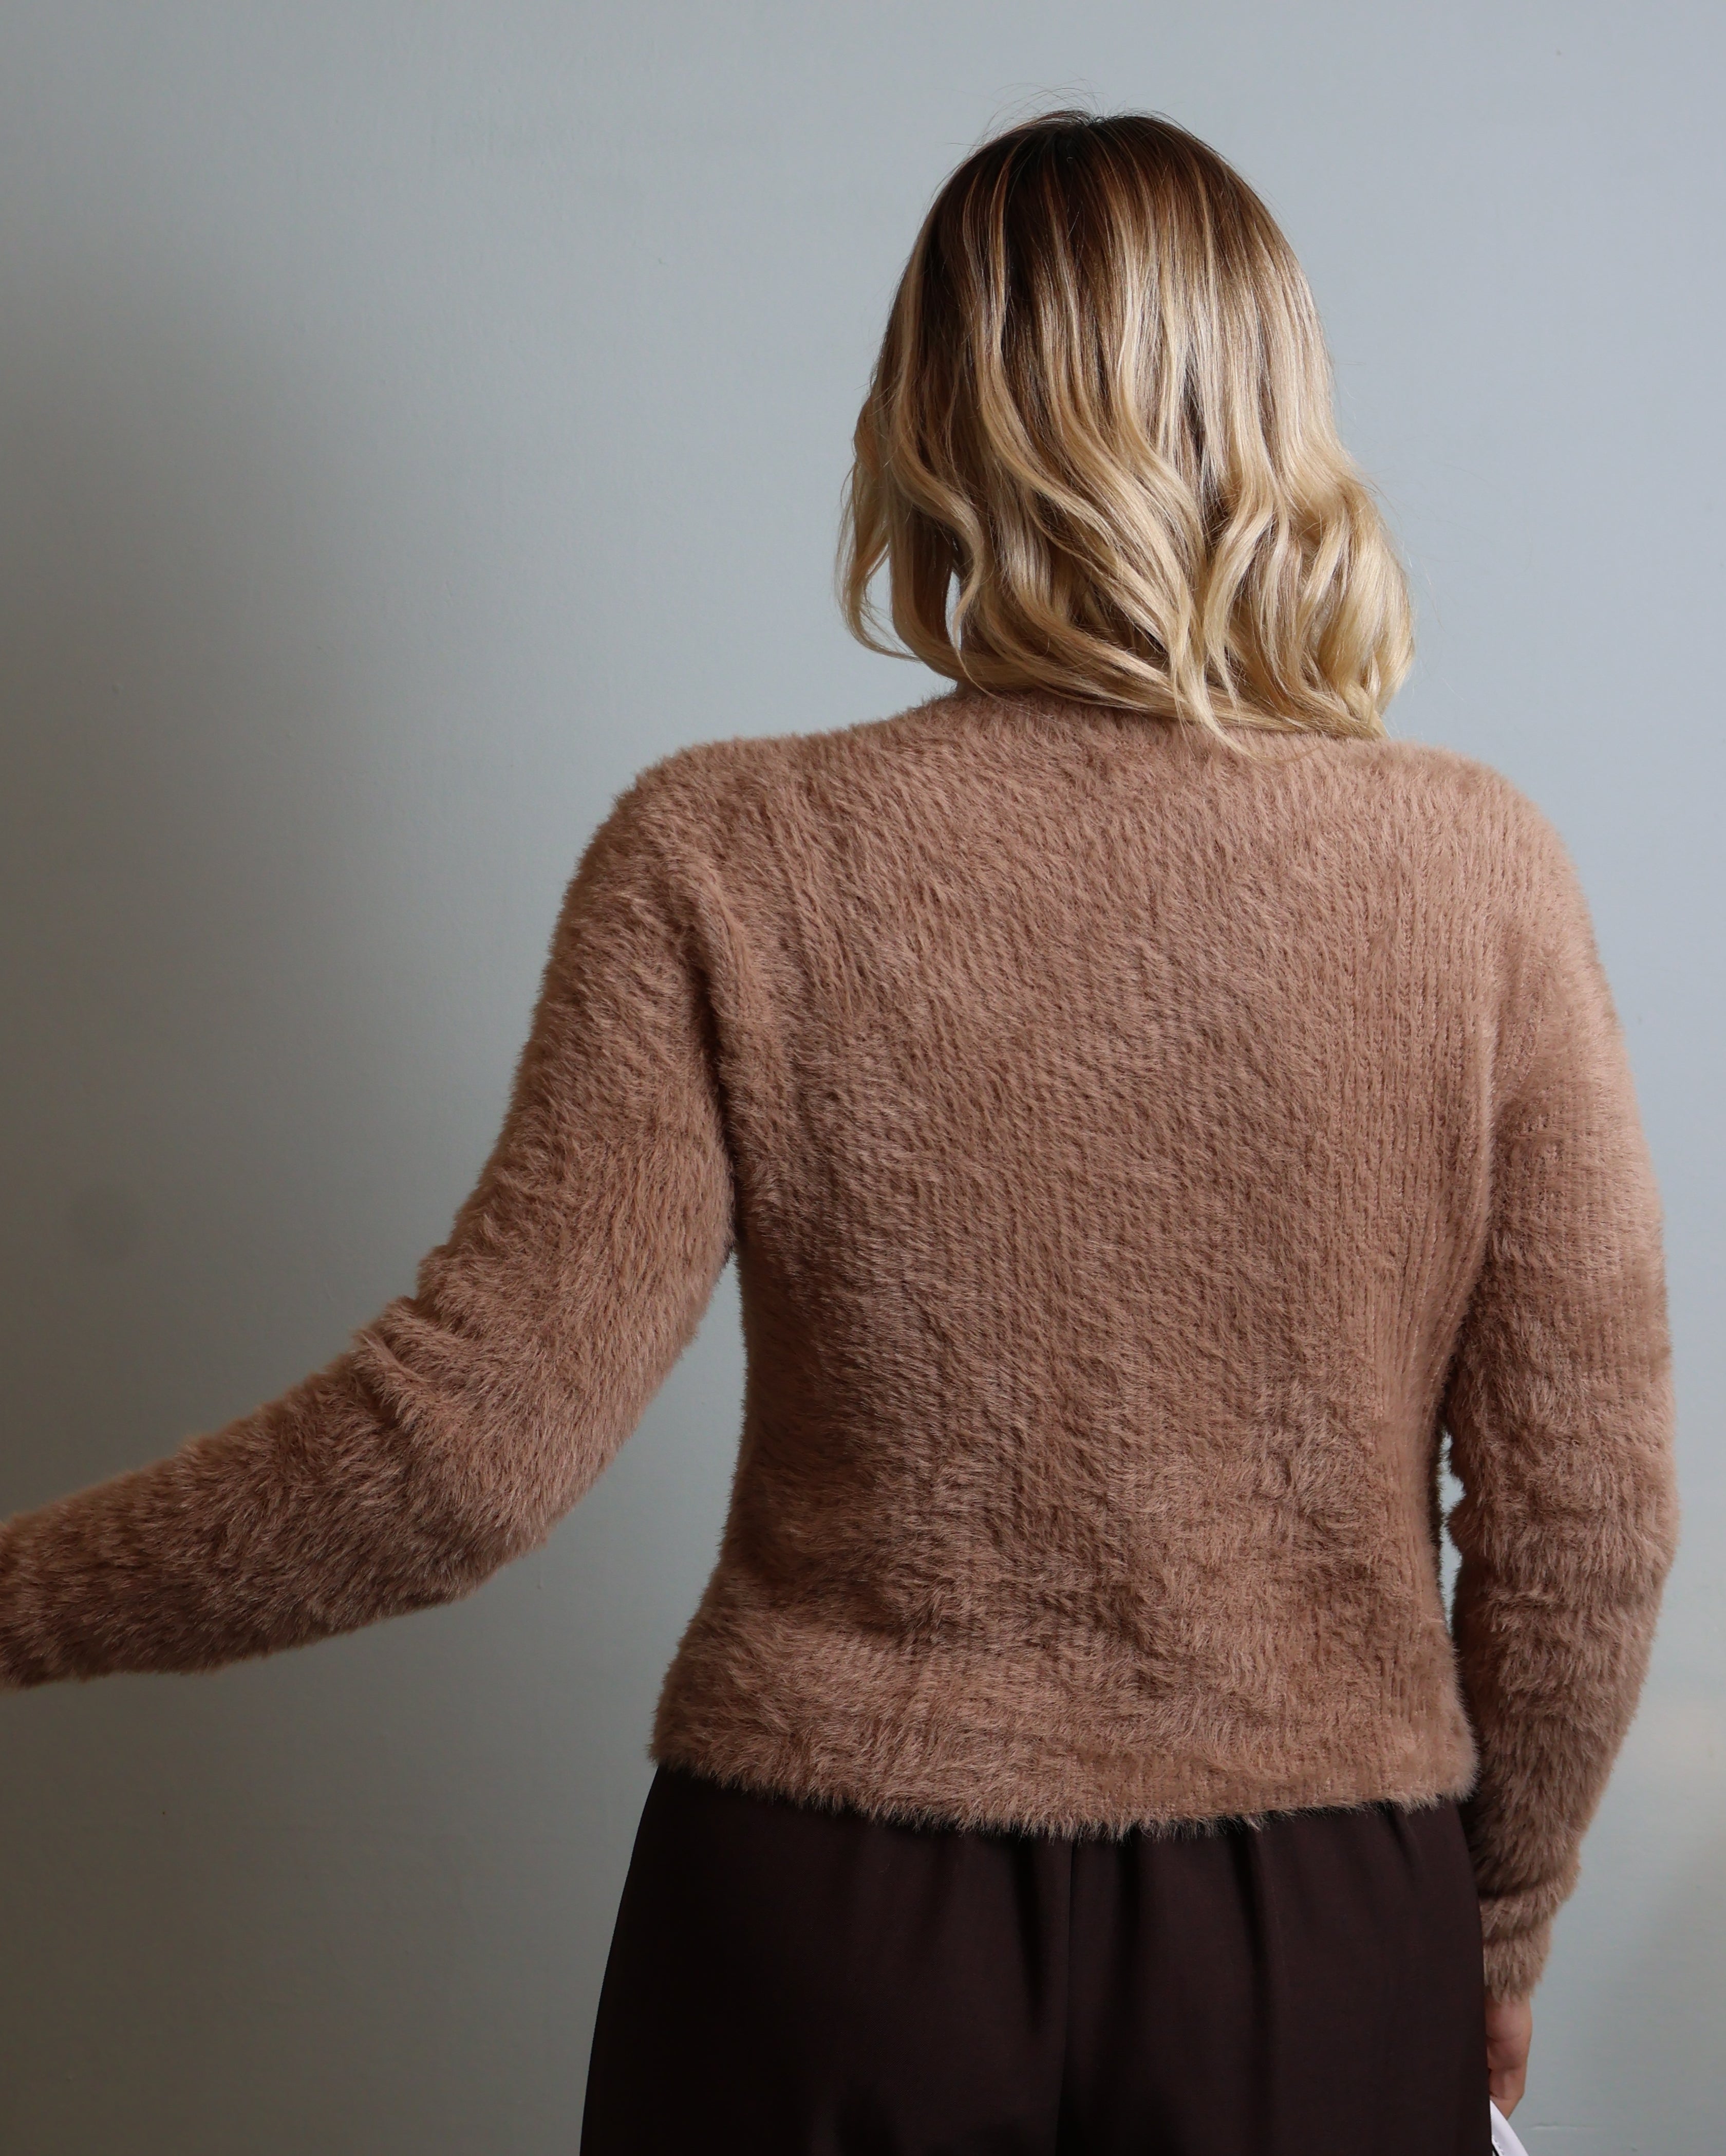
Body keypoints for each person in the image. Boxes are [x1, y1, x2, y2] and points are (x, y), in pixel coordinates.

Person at [0, 109, 1678, 2155]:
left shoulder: (729, 850)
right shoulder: (1479, 876)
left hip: (824, 1934)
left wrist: (19, 1595)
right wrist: (1492, 1920)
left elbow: (459, 1456)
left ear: (923, 423)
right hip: (1314, 1934)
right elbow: (1585, 1517)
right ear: (1278, 415)